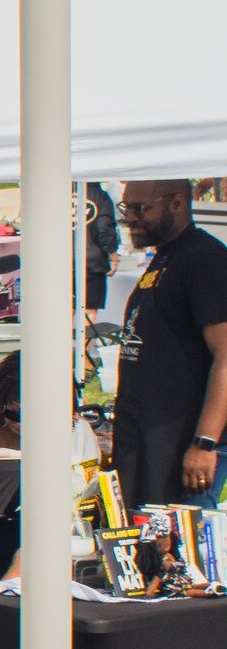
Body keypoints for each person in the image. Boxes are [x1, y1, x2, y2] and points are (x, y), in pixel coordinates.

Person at [112, 179, 227, 508]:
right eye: (126, 208)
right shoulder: (165, 257)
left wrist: (204, 443)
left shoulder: (205, 260)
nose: (130, 217)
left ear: (177, 204)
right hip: (149, 440)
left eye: (140, 208)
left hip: (186, 448)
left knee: (177, 553)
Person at [83, 181, 119, 318]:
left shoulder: (60, 195)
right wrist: (113, 253)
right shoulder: (100, 197)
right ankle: (87, 340)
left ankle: (62, 339)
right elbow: (105, 227)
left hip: (64, 260)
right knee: (89, 310)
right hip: (93, 261)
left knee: (67, 308)